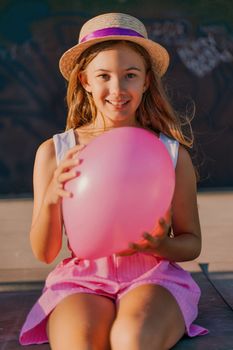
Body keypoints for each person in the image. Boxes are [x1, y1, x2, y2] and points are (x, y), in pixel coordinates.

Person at [20, 12, 208, 350]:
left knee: (131, 339)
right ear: (84, 81)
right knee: (81, 344)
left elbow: (191, 242)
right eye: (103, 76)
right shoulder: (56, 151)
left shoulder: (168, 152)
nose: (118, 89)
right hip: (83, 282)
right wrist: (50, 198)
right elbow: (44, 251)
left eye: (130, 75)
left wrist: (160, 246)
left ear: (147, 81)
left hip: (153, 278)